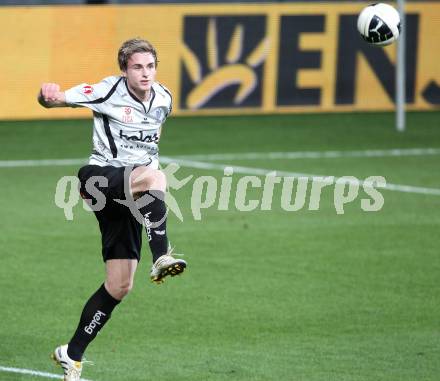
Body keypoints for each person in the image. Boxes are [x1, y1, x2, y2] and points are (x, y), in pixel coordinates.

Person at [38, 38, 187, 381]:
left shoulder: (164, 98)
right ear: (124, 69)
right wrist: (47, 96)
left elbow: (151, 137)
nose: (145, 73)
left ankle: (71, 354)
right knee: (154, 176)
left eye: (150, 66)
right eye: (137, 66)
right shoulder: (107, 90)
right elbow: (57, 100)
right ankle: (162, 255)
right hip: (99, 180)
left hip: (131, 191)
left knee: (120, 285)